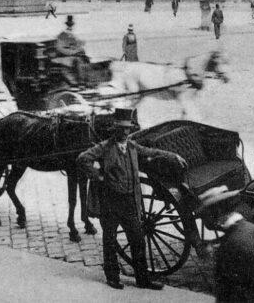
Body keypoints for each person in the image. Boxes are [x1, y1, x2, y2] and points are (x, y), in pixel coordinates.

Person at [78, 108, 187, 290]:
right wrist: (98, 176)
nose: (125, 132)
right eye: (122, 128)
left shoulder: (132, 146)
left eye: (128, 128)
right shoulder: (105, 147)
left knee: (137, 239)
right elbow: (83, 159)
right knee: (110, 240)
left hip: (129, 202)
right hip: (110, 202)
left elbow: (152, 151)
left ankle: (142, 279)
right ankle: (112, 277)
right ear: (115, 128)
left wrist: (173, 156)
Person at [199, 187, 254, 302]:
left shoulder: (229, 245)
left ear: (217, 211)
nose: (205, 220)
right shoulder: (253, 229)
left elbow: (227, 291)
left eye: (206, 214)